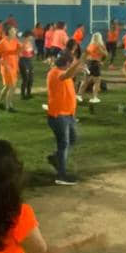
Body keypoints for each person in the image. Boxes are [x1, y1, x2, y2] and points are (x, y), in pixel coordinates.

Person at [46, 49, 84, 185]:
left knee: (72, 139)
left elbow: (69, 74)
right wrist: (82, 59)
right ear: (67, 63)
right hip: (59, 116)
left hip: (67, 115)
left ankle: (55, 158)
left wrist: (78, 69)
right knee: (64, 144)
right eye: (72, 62)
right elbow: (67, 74)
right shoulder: (55, 73)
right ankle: (61, 176)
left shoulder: (61, 72)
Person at [0, 26, 21, 112]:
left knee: (7, 86)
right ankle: (9, 106)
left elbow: (19, 51)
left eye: (15, 30)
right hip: (7, 66)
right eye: (13, 30)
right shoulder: (3, 42)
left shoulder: (15, 41)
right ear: (8, 32)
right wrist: (2, 63)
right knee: (12, 86)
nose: (15, 31)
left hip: (14, 65)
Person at [81, 32, 108, 103]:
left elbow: (86, 54)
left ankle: (79, 95)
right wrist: (101, 60)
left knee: (85, 81)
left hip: (89, 63)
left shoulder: (90, 45)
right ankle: (94, 97)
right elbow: (105, 54)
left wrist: (84, 63)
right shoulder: (100, 45)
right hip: (95, 64)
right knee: (97, 81)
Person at [18, 30, 36, 100]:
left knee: (31, 78)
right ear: (28, 36)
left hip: (29, 60)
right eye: (31, 36)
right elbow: (19, 54)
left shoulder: (29, 43)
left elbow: (30, 52)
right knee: (25, 79)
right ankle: (23, 95)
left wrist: (33, 53)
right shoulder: (22, 43)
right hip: (23, 61)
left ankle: (29, 93)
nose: (32, 37)